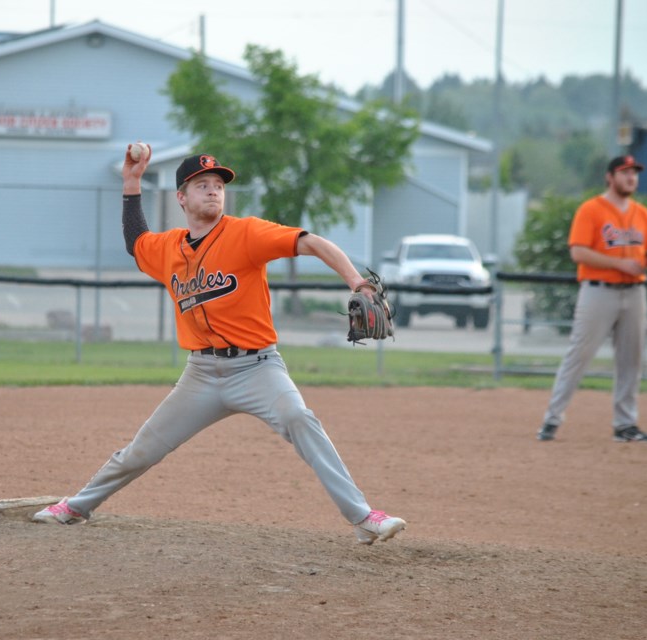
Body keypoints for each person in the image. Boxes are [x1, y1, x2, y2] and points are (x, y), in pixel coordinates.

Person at [32, 146, 406, 545]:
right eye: (202, 185)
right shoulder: (168, 249)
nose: (213, 190)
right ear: (182, 198)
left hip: (258, 369)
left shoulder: (246, 233)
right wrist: (131, 182)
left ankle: (364, 517)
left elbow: (311, 242)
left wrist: (357, 282)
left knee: (299, 418)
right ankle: (76, 506)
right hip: (201, 375)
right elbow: (135, 242)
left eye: (217, 185)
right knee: (143, 449)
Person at [537, 155, 647, 443]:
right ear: (610, 177)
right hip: (598, 292)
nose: (631, 177)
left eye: (634, 172)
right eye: (625, 172)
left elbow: (646, 255)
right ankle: (551, 419)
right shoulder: (591, 210)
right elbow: (578, 252)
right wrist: (618, 264)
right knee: (579, 356)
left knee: (631, 360)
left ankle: (625, 425)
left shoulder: (642, 214)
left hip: (635, 293)